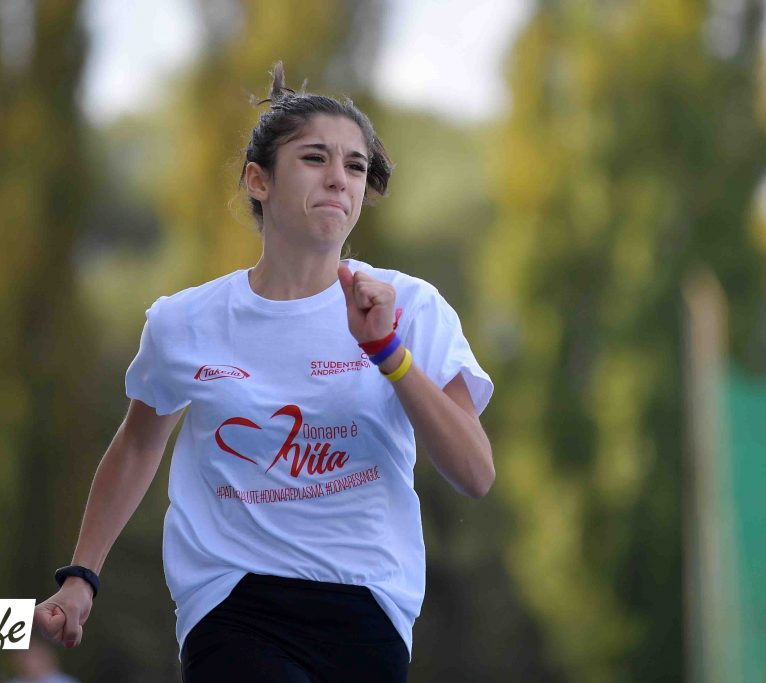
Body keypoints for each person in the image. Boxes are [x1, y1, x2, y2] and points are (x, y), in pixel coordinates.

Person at [33, 61, 495, 682]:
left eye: (355, 166)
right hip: (232, 600)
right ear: (259, 180)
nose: (338, 178)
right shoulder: (185, 321)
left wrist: (388, 352)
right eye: (314, 158)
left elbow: (475, 473)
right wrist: (82, 576)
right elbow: (138, 445)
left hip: (369, 603)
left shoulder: (411, 308)